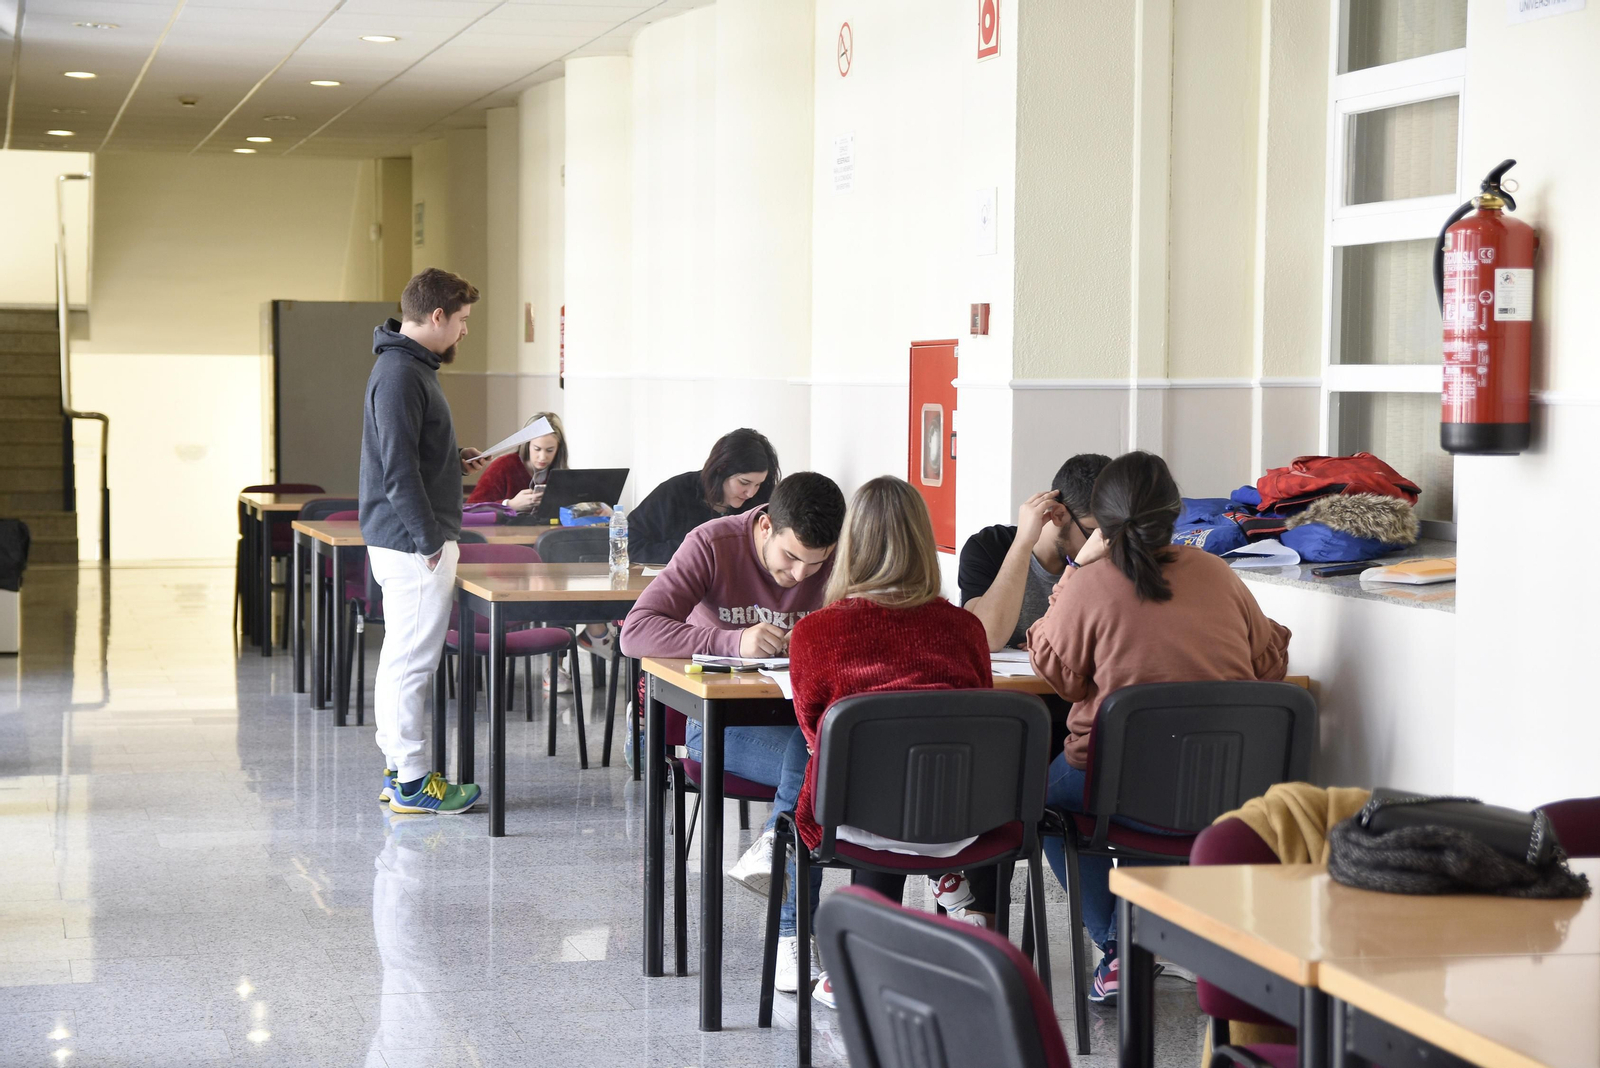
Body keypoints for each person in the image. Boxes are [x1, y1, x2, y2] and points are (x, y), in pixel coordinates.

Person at [1027, 451, 1291, 1004]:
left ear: (1101, 520)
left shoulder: (1091, 583)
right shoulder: (1218, 573)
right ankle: (1160, 936)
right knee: (1155, 793)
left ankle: (1122, 945)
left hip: (1119, 782)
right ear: (1176, 512)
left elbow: (1061, 677)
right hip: (1224, 785)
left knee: (1044, 806)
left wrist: (1074, 575)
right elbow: (1268, 666)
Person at [619, 470, 846, 995]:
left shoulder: (839, 557)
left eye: (815, 564)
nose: (798, 575)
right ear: (765, 525)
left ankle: (777, 846)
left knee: (815, 747)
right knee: (816, 756)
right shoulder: (713, 544)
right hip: (720, 728)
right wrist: (733, 642)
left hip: (804, 725)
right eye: (790, 557)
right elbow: (636, 631)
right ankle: (792, 932)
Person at [786, 475, 1001, 1009]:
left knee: (849, 772)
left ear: (850, 546)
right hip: (961, 822)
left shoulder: (814, 633)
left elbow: (818, 735)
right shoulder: (965, 630)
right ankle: (953, 917)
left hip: (855, 821)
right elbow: (977, 725)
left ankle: (860, 955)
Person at [361, 267, 491, 815]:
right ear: (437, 315)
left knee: (403, 659)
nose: (464, 331)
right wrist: (429, 540)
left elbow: (413, 455)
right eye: (461, 320)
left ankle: (401, 771)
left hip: (411, 537)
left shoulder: (410, 367)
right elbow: (396, 469)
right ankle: (413, 780)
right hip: (413, 541)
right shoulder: (399, 373)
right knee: (412, 663)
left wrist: (451, 460)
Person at [959, 453, 1110, 652]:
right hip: (1000, 682)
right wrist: (1023, 543)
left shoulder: (1104, 556)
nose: (1103, 545)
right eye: (1093, 533)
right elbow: (985, 638)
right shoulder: (988, 547)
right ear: (1058, 514)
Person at [628, 428, 781, 565]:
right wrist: (691, 551)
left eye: (757, 484)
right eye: (744, 482)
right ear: (721, 469)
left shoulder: (763, 499)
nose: (751, 493)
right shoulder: (675, 492)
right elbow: (628, 543)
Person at [466, 411, 568, 513]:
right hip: (502, 529)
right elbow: (471, 509)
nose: (542, 457)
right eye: (537, 449)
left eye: (550, 450)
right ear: (527, 444)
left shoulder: (562, 473)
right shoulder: (503, 466)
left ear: (559, 449)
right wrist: (509, 505)